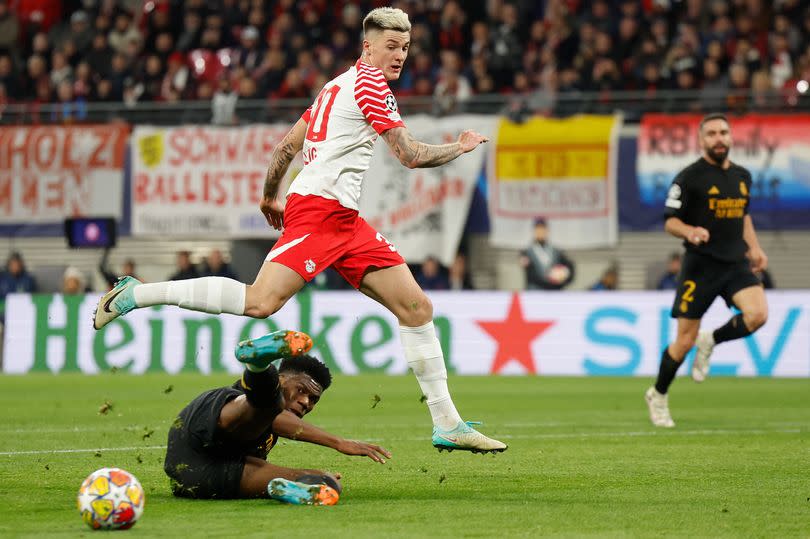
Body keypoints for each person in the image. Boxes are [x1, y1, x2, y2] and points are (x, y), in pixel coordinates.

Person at [94, 7, 506, 454]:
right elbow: (409, 154)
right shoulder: (371, 84)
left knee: (416, 307)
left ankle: (447, 423)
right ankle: (135, 293)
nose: (399, 55)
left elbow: (287, 145)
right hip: (320, 213)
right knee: (261, 302)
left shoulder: (335, 86)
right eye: (391, 45)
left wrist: (270, 195)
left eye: (405, 47)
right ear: (367, 46)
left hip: (345, 221)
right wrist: (460, 147)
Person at [165, 329, 390, 505]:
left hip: (199, 479)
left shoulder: (268, 424)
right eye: (301, 390)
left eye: (313, 399)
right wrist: (339, 443)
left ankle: (281, 490)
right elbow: (276, 418)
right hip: (201, 435)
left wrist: (314, 475)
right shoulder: (252, 405)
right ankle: (258, 366)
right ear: (281, 378)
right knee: (268, 405)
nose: (306, 402)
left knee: (326, 483)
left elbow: (251, 460)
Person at [646, 113, 769, 428]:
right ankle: (658, 394)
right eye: (712, 133)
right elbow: (669, 221)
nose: (719, 138)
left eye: (724, 132)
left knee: (758, 315)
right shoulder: (688, 178)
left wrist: (754, 248)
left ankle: (711, 339)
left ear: (730, 137)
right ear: (701, 140)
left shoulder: (742, 176)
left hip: (735, 263)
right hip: (700, 267)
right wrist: (689, 231)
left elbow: (743, 216)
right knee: (683, 342)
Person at [521, 219, 575, 290]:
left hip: (554, 291)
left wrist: (563, 277)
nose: (540, 232)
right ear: (534, 231)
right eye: (538, 229)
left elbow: (569, 267)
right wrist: (549, 279)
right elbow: (530, 274)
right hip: (535, 292)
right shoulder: (527, 252)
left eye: (542, 229)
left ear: (547, 231)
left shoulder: (556, 251)